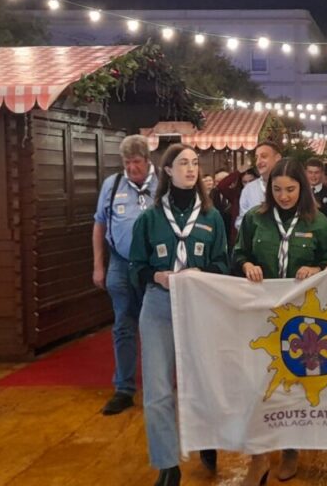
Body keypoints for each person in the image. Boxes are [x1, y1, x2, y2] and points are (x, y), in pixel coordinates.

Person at [128, 144, 229, 486]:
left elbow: (223, 263)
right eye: (183, 163)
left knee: (204, 382)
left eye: (195, 163)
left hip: (201, 306)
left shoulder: (212, 216)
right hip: (159, 305)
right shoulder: (149, 218)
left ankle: (207, 439)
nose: (191, 168)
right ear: (167, 171)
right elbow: (135, 267)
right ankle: (167, 463)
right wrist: (156, 276)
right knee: (157, 390)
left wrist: (201, 274)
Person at [233, 158, 327, 485]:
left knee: (292, 384)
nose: (284, 195)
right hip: (260, 314)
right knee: (257, 383)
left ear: (302, 189)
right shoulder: (254, 220)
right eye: (277, 189)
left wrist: (317, 270)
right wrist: (247, 264)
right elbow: (238, 254)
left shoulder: (317, 223)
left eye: (291, 189)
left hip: (301, 319)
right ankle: (259, 456)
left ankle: (291, 448)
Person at [92, 134, 158, 416]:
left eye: (137, 162)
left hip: (153, 267)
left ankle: (157, 386)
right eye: (127, 163)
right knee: (123, 324)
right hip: (120, 263)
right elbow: (99, 225)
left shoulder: (162, 186)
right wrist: (98, 265)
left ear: (147, 160)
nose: (132, 168)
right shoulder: (112, 185)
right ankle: (124, 388)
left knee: (155, 325)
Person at [236, 141, 283, 231]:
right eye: (257, 158)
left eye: (264, 156)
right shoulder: (248, 190)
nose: (258, 162)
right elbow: (242, 221)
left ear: (277, 158)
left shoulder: (291, 186)